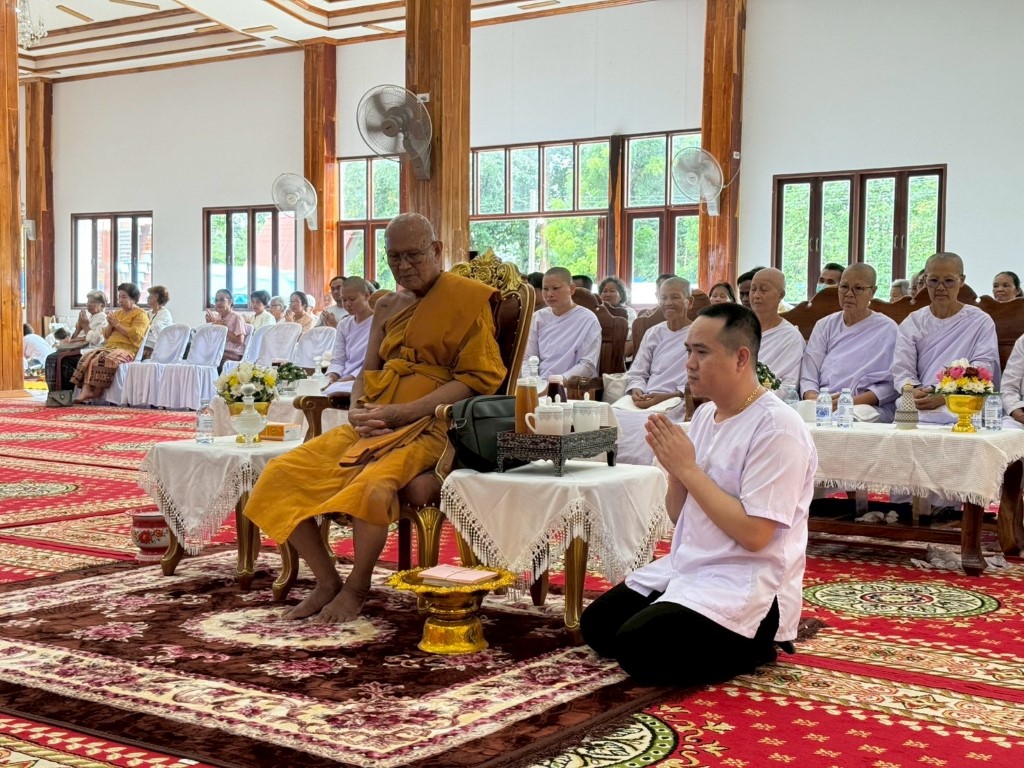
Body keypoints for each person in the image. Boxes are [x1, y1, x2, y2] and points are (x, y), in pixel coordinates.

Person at [243, 213, 505, 624]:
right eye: (394, 257)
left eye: (414, 255)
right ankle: (326, 580)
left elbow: (477, 379)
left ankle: (357, 587)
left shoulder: (467, 299)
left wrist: (405, 411)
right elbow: (367, 372)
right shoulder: (386, 305)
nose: (404, 266)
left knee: (373, 487)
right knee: (278, 475)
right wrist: (358, 410)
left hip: (432, 426)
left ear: (437, 251)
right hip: (375, 422)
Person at [580, 302, 817, 686]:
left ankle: (758, 644)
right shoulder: (707, 415)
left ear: (741, 358)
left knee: (636, 648)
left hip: (749, 582)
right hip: (693, 566)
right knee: (597, 626)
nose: (689, 364)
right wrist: (677, 475)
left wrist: (688, 469)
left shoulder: (777, 428)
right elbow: (681, 516)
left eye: (702, 352)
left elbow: (756, 536)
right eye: (688, 351)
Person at [892, 252, 1000, 426]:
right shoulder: (914, 322)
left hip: (962, 399)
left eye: (949, 281)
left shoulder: (979, 321)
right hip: (921, 401)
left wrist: (945, 395)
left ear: (961, 280)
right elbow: (902, 368)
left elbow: (983, 367)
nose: (940, 287)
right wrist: (913, 391)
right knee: (904, 409)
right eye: (934, 281)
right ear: (925, 280)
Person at [800, 264, 899, 422]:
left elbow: (892, 383)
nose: (849, 294)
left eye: (858, 288)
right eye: (844, 287)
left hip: (865, 406)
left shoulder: (888, 329)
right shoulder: (825, 325)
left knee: (847, 418)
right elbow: (809, 374)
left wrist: (848, 402)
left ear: (872, 292)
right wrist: (816, 399)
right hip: (823, 402)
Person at [614, 278, 693, 465]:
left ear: (689, 302)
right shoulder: (653, 332)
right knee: (612, 416)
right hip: (646, 396)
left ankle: (644, 473)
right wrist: (637, 390)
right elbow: (637, 372)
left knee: (647, 423)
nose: (668, 303)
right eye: (663, 298)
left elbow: (699, 378)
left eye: (675, 297)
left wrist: (666, 396)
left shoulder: (698, 333)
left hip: (677, 399)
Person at [70, 282, 149, 404]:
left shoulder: (141, 314)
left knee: (103, 358)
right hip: (110, 346)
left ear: (133, 299)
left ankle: (97, 391)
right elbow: (106, 335)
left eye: (124, 297)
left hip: (127, 349)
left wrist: (117, 324)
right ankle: (86, 390)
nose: (120, 300)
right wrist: (111, 325)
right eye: (119, 297)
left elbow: (136, 336)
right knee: (88, 356)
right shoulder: (118, 313)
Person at [521, 266, 601, 380]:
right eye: (545, 289)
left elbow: (587, 365)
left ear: (572, 289)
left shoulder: (588, 319)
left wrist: (557, 382)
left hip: (571, 385)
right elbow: (528, 358)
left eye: (555, 288)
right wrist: (531, 383)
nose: (549, 294)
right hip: (539, 384)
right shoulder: (537, 318)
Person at [748, 268, 804, 392]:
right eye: (753, 289)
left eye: (763, 290)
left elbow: (789, 386)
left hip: (766, 399)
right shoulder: (739, 330)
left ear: (781, 295)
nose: (756, 295)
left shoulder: (790, 337)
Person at [322, 277, 374, 395]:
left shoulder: (378, 322)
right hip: (343, 379)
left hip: (366, 377)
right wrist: (331, 377)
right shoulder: (343, 324)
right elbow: (338, 360)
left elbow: (375, 362)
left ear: (367, 295)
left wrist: (348, 379)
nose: (347, 304)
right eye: (344, 300)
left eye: (352, 299)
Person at [206, 289, 247, 365]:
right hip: (218, 350)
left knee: (208, 358)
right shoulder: (217, 317)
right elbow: (212, 339)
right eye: (216, 300)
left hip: (232, 353)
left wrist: (224, 329)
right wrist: (209, 324)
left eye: (222, 300)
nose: (218, 303)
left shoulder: (237, 317)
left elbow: (240, 340)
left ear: (230, 302)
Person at [142, 285, 173, 358]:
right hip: (145, 345)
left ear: (156, 297)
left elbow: (154, 329)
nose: (147, 298)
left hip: (156, 348)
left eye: (150, 295)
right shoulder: (149, 313)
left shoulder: (164, 313)